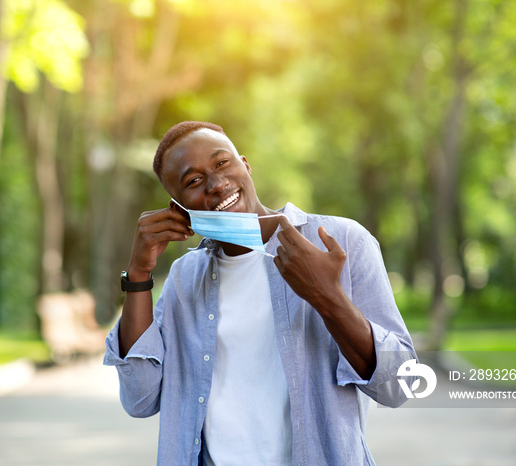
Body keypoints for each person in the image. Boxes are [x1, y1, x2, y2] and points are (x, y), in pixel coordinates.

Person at [104, 121, 416, 465]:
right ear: (179, 209)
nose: (217, 184)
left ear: (245, 165)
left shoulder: (342, 241)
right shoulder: (184, 278)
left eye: (222, 163)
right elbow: (140, 398)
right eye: (193, 181)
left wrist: (329, 298)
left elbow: (398, 386)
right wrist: (138, 275)